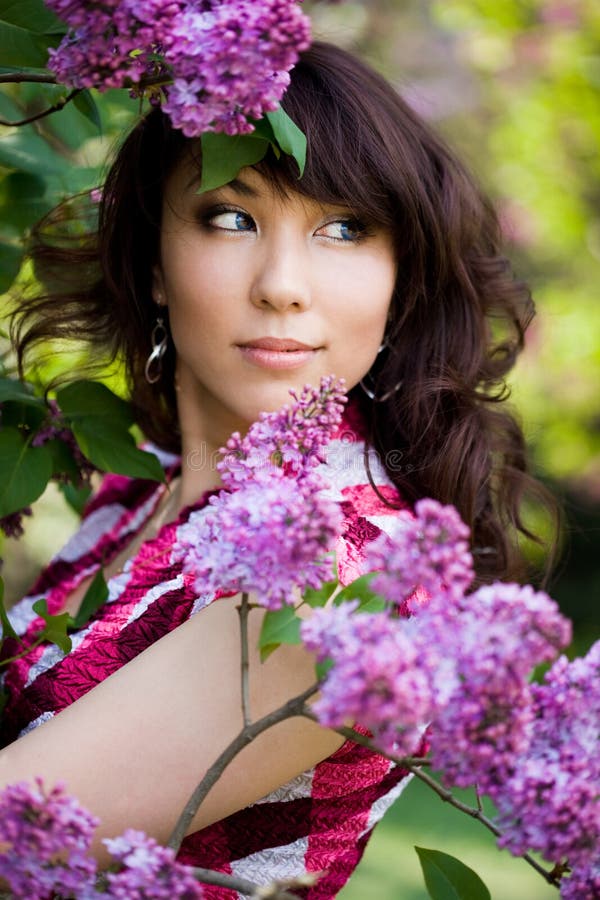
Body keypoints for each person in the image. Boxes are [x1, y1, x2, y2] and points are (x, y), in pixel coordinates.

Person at [0, 41, 553, 898]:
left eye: (343, 229)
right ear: (153, 259)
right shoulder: (140, 492)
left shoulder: (338, 576)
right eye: (231, 217)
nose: (284, 286)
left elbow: (14, 829)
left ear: (400, 278)